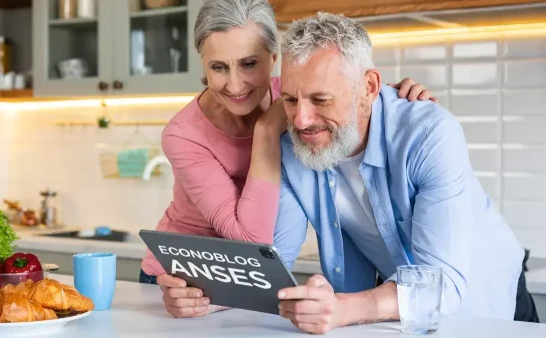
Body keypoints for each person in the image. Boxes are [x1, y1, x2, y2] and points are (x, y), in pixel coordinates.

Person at [141, 0, 436, 318]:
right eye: (218, 67)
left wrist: (395, 97)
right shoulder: (184, 135)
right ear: (202, 64)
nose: (236, 84)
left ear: (274, 58)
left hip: (249, 279)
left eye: (249, 64)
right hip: (185, 284)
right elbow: (251, 241)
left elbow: (349, 94)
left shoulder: (297, 97)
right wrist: (266, 131)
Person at [268, 13, 538, 334]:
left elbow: (442, 283)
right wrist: (206, 297)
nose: (300, 119)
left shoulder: (428, 133)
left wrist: (344, 307)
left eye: (321, 99)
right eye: (290, 99)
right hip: (399, 310)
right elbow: (273, 263)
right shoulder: (294, 146)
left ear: (368, 87)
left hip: (485, 299)